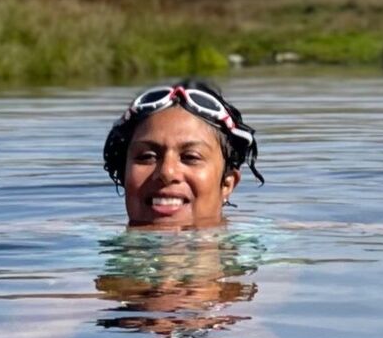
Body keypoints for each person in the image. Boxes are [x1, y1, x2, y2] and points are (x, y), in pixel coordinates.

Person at [103, 78, 264, 229]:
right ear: (124, 173)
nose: (167, 172)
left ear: (227, 184)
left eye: (190, 157)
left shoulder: (270, 244)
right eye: (147, 157)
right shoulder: (85, 241)